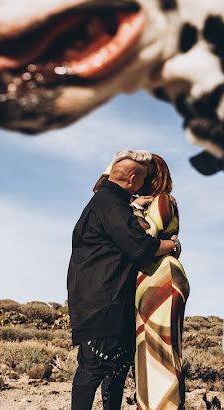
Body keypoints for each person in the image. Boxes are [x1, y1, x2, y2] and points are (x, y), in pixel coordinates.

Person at [67, 150, 182, 410]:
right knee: (94, 369)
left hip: (106, 301)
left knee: (114, 371)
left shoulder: (109, 202)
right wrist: (171, 245)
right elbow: (142, 247)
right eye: (142, 179)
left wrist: (136, 204)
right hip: (102, 303)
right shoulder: (110, 206)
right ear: (131, 178)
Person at [131, 154, 190, 410]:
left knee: (161, 351)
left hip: (162, 280)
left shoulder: (163, 201)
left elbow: (148, 233)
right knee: (148, 351)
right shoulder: (153, 202)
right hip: (152, 279)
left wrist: (130, 207)